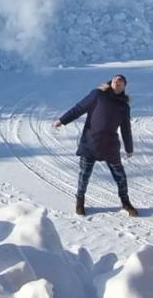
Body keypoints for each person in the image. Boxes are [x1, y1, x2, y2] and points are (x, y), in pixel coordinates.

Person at [54, 74, 137, 217]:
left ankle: (126, 202)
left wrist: (129, 148)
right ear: (111, 82)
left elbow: (126, 128)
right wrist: (62, 120)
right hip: (90, 143)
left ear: (124, 87)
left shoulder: (124, 106)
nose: (117, 82)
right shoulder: (98, 95)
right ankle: (80, 201)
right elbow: (78, 108)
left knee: (120, 176)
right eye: (115, 79)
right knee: (84, 175)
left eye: (121, 81)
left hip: (110, 146)